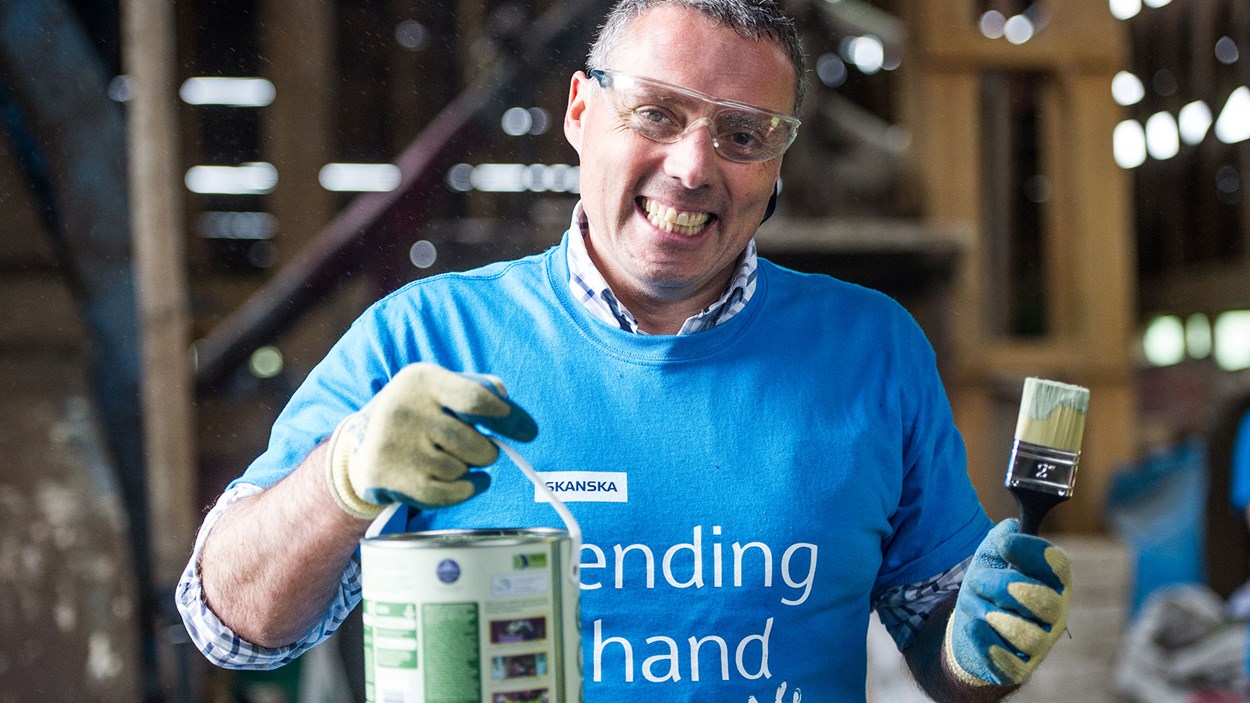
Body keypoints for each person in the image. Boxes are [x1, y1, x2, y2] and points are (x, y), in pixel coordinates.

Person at [177, 1, 1072, 700]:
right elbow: (232, 626)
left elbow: (946, 649)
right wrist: (340, 475)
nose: (693, 166)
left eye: (743, 134)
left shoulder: (873, 351)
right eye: (656, 113)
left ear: (779, 161)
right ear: (579, 111)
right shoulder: (425, 340)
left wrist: (980, 650)